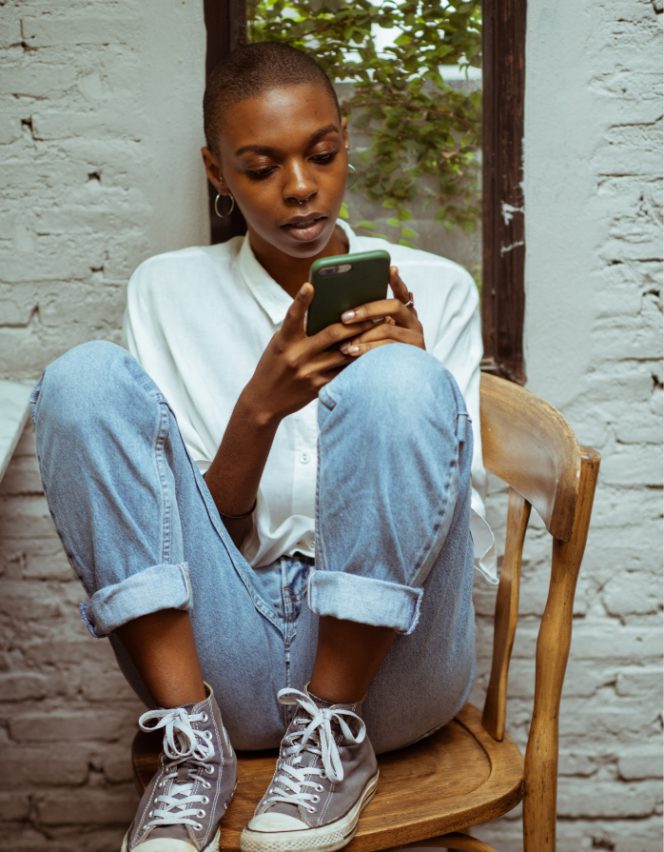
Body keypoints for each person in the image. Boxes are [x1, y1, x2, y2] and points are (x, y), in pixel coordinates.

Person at [30, 41, 495, 852]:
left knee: (403, 384)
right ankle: (191, 750)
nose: (301, 188)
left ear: (345, 139)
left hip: (395, 675)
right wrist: (260, 410)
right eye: (260, 166)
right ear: (216, 171)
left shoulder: (441, 289)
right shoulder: (167, 292)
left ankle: (333, 737)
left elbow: (467, 543)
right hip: (223, 668)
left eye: (321, 153)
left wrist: (415, 389)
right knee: (80, 380)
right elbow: (176, 538)